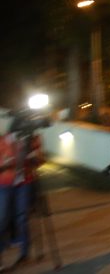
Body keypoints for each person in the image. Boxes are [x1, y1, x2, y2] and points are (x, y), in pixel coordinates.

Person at [0, 107, 44, 269]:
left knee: (22, 217)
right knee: (2, 218)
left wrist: (36, 158)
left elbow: (41, 160)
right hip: (5, 183)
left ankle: (24, 253)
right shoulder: (3, 141)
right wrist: (4, 163)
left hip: (25, 182)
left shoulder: (31, 140)